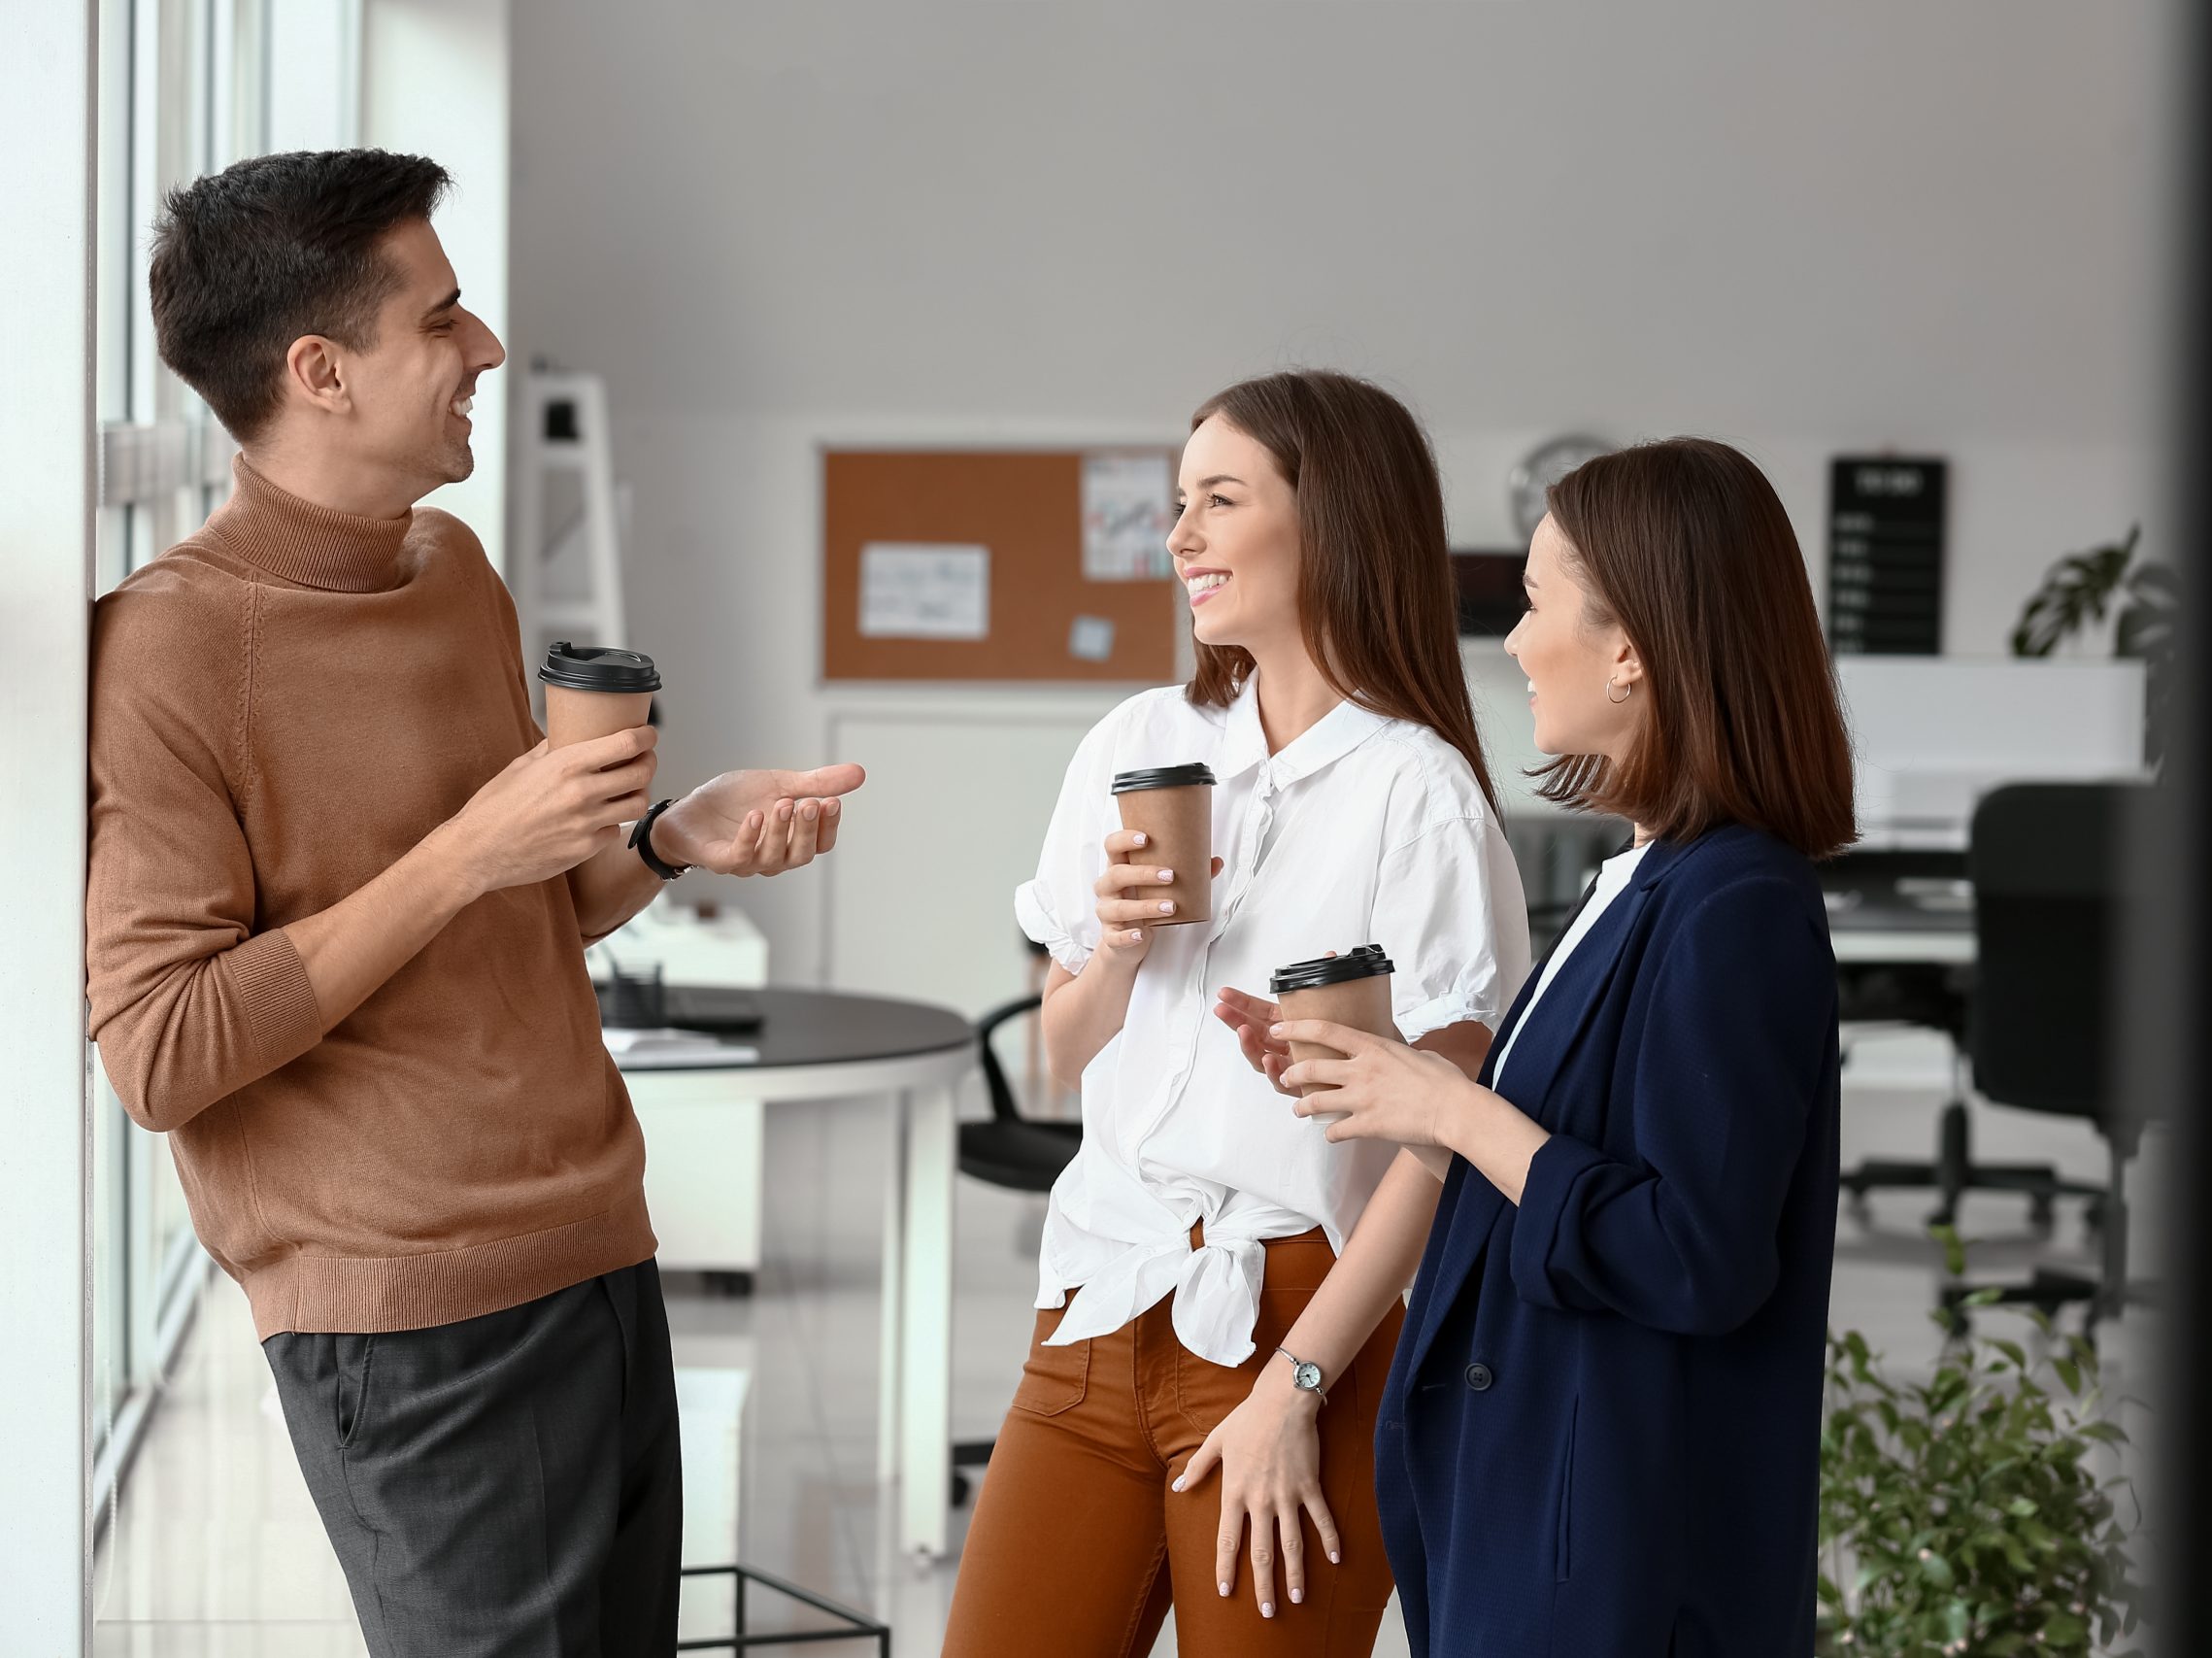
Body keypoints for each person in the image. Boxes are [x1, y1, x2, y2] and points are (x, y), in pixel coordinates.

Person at [84, 149, 863, 1657]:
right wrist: (466, 846)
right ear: (318, 370)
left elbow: (523, 917)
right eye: (442, 319)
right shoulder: (167, 650)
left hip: (599, 1253)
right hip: (415, 1331)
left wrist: (669, 838)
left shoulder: (453, 565)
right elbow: (158, 1049)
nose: (486, 349)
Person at [942, 371, 1532, 1658]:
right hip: (1100, 1290)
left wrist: (1297, 1382)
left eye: (1220, 498)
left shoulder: (1417, 795)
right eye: (1177, 502)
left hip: (1304, 1313)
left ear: (1332, 525)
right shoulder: (1137, 738)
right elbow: (1057, 1051)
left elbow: (1444, 1148)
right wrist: (1112, 950)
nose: (1179, 535)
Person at [1275, 438, 1856, 1656]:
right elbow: (1566, 1145)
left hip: (1614, 1566)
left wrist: (1451, 1108)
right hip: (1541, 1514)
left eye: (1535, 604)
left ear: (1631, 646)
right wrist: (1397, 1080)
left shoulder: (1736, 903)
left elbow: (1692, 1255)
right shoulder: (1642, 880)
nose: (1514, 643)